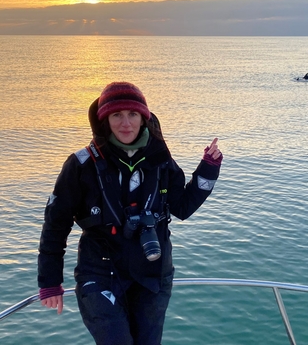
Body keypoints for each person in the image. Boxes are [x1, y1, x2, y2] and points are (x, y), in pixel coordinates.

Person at [37, 82, 222, 345]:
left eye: (133, 114)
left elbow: (182, 208)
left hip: (153, 271)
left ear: (144, 118)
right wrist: (50, 281)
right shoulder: (81, 165)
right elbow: (55, 225)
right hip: (100, 272)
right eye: (117, 115)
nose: (126, 123)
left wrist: (209, 169)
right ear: (105, 119)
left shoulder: (161, 160)